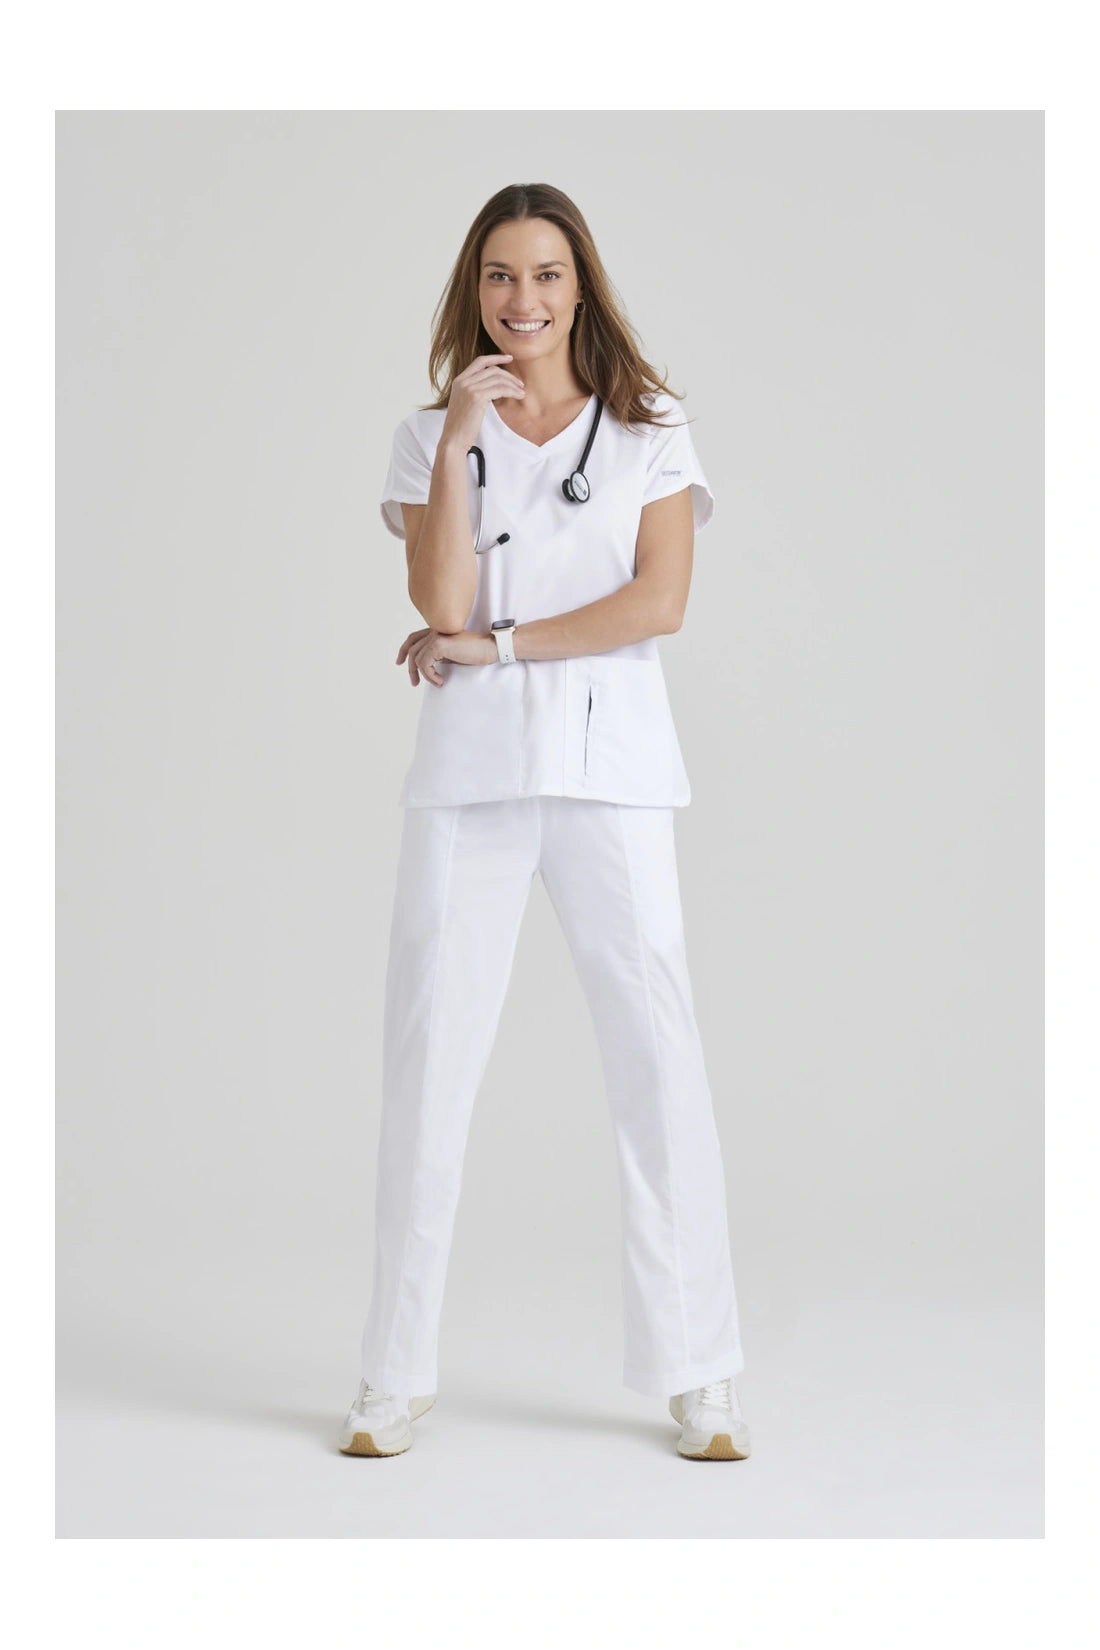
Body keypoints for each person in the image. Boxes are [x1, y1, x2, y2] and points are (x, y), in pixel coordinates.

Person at [338, 183, 751, 1463]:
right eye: (501, 276)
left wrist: (502, 645)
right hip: (469, 774)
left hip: (612, 769)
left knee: (656, 1056)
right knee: (428, 1060)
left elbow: (657, 604)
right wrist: (462, 433)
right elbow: (439, 598)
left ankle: (700, 1370)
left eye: (547, 275)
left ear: (582, 288)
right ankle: (392, 1373)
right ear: (474, 289)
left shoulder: (649, 429)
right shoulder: (428, 435)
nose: (523, 300)